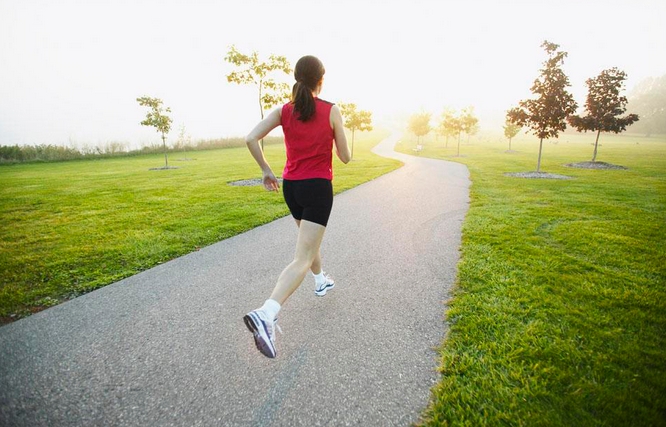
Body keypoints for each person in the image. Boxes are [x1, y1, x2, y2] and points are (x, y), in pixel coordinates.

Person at [242, 55, 351, 358]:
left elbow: (250, 138)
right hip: (317, 187)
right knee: (302, 256)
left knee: (308, 243)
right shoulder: (331, 110)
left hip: (292, 187)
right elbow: (345, 157)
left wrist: (266, 169)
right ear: (321, 80)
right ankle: (267, 312)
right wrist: (339, 130)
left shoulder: (284, 110)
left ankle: (320, 281)